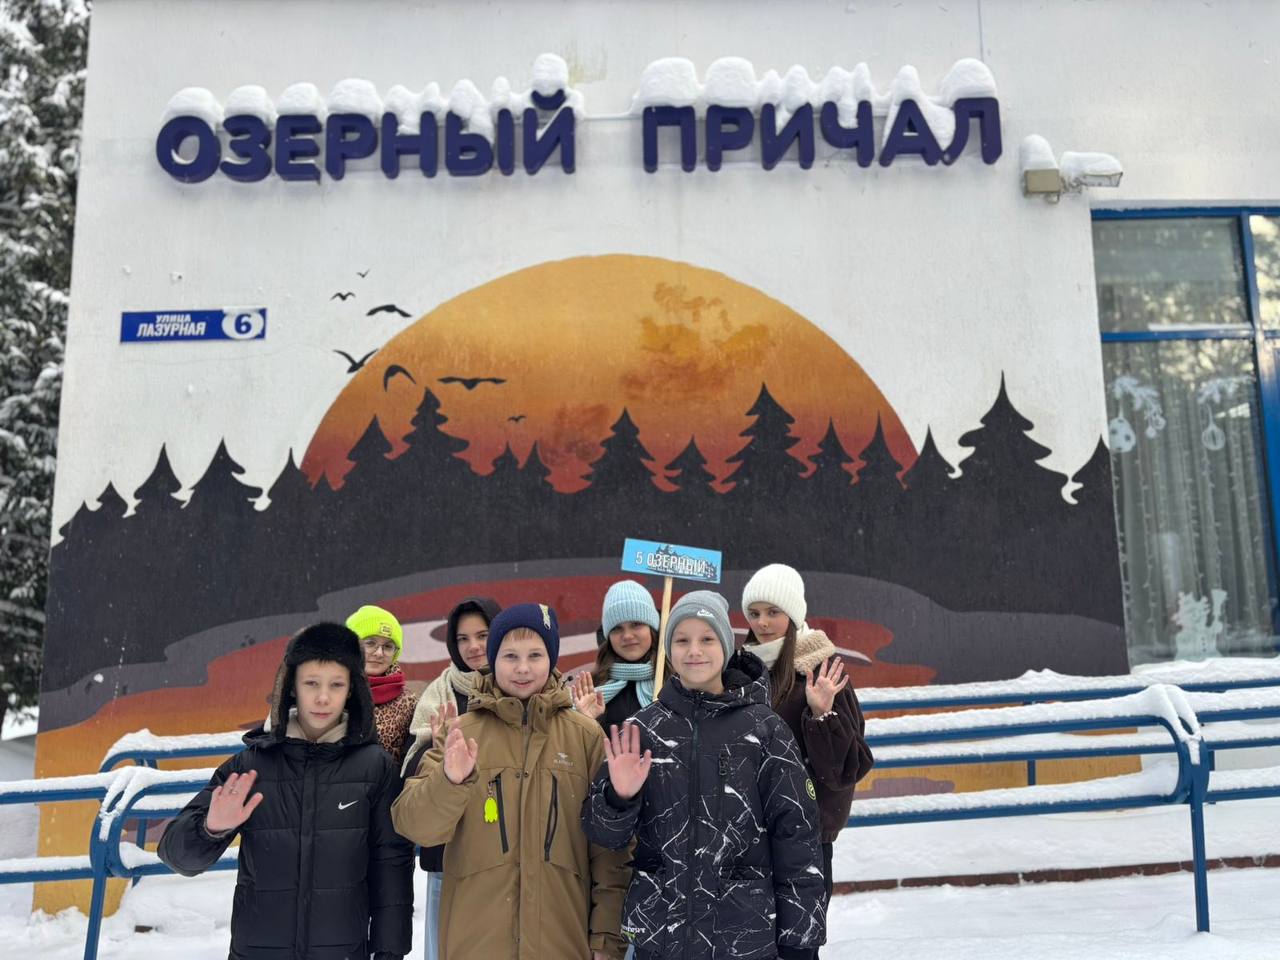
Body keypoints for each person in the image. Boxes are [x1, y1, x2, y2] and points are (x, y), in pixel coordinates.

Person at [582, 590, 826, 960]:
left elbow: (797, 834)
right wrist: (619, 796)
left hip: (742, 937)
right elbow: (603, 836)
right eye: (682, 640)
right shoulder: (642, 730)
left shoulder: (765, 730)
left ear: (725, 645)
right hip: (661, 937)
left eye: (707, 639)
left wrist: (799, 939)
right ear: (669, 650)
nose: (694, 651)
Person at [157, 622, 414, 960]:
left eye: (336, 684)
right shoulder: (252, 765)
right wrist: (210, 829)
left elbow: (391, 865)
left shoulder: (375, 767)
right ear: (292, 685)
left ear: (352, 689)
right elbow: (177, 856)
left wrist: (389, 952)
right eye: (311, 683)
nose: (323, 697)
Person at [391, 603, 629, 960]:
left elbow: (609, 850)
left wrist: (606, 939)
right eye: (510, 656)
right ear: (493, 659)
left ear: (551, 658)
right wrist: (449, 781)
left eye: (535, 655)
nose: (522, 668)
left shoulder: (584, 736)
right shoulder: (461, 732)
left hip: (561, 944)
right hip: (475, 945)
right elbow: (414, 826)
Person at [741, 564, 875, 959]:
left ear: (794, 614)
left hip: (804, 840)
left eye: (773, 612)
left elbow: (847, 768)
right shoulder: (738, 671)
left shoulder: (822, 669)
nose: (763, 623)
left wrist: (821, 715)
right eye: (754, 613)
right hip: (746, 838)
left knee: (798, 948)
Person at [399, 596, 502, 960]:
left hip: (506, 855)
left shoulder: (522, 687)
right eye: (463, 639)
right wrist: (438, 750)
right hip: (449, 855)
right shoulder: (438, 695)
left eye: (483, 635)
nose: (473, 646)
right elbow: (411, 774)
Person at [572, 580, 662, 729]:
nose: (627, 635)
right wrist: (584, 723)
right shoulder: (592, 687)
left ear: (652, 629)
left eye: (636, 624)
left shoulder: (677, 682)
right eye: (617, 628)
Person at [347, 604, 418, 766]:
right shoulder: (331, 693)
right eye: (370, 643)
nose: (379, 653)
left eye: (387, 646)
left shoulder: (410, 703)